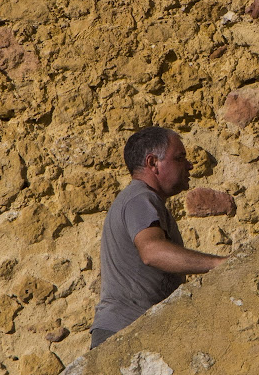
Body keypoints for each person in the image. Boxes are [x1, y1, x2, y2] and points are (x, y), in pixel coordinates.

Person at [90, 127, 227, 349]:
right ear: (153, 163)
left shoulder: (139, 199)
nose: (189, 165)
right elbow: (152, 251)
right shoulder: (140, 198)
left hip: (129, 332)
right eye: (180, 158)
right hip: (125, 335)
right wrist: (218, 264)